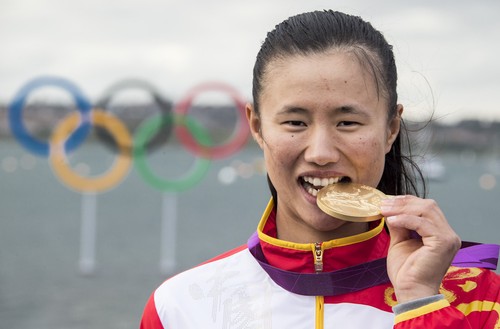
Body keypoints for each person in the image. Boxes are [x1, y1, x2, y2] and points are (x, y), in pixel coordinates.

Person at [140, 10, 500, 328]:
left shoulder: (481, 300)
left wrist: (421, 303)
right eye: (295, 122)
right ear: (257, 127)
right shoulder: (179, 308)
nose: (322, 152)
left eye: (347, 123)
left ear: (391, 128)